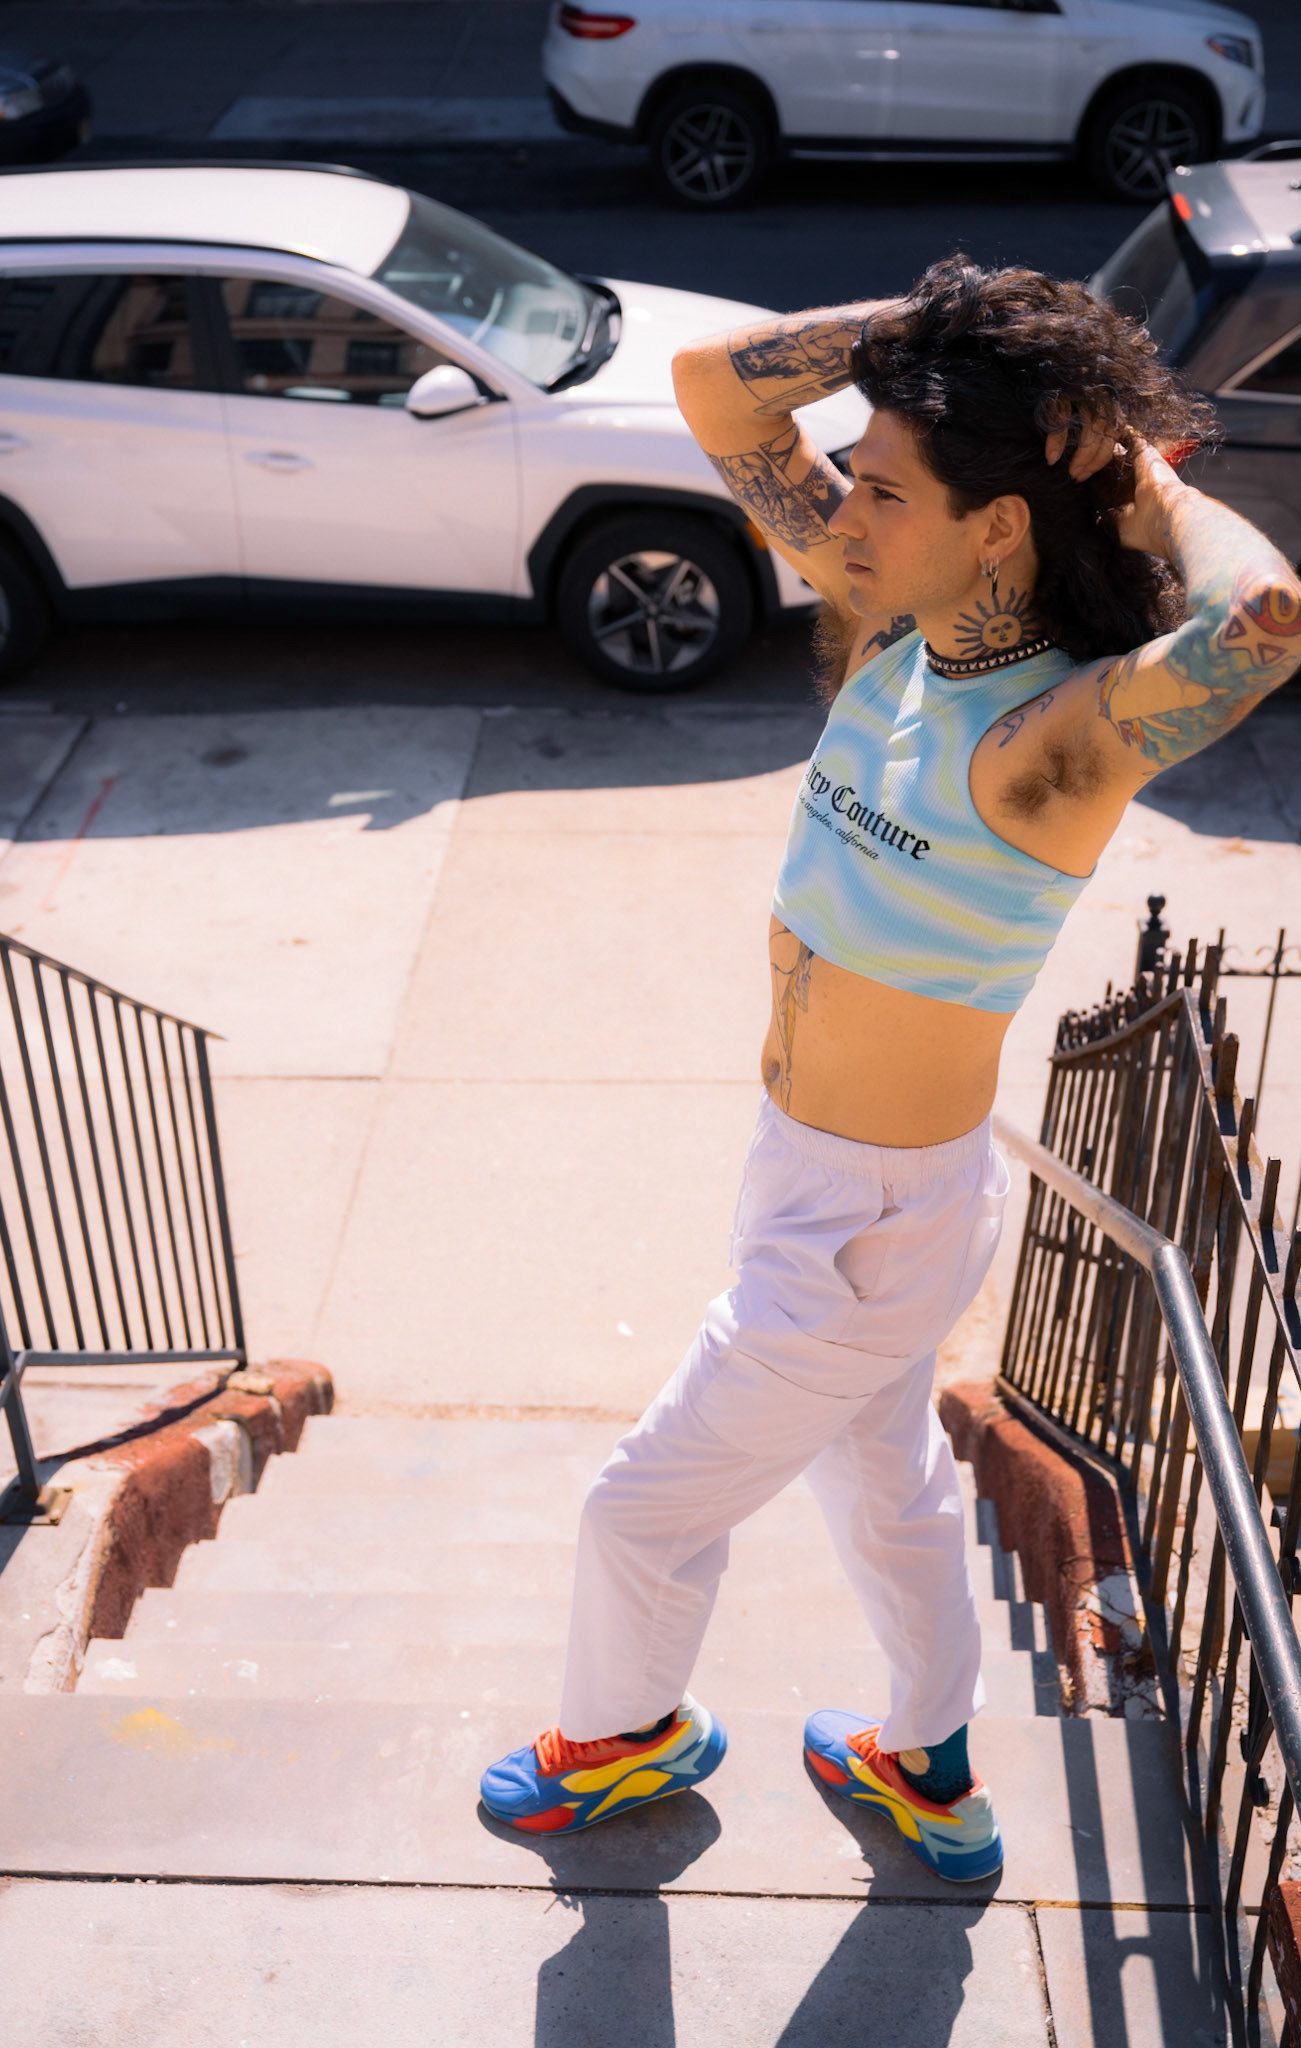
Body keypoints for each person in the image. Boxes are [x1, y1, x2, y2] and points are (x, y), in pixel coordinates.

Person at [479, 256, 1301, 1879]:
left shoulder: (1044, 744)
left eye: (882, 492)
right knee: (886, 1482)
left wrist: (1141, 487)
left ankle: (624, 1739)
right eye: (847, 483)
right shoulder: (893, 625)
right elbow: (717, 389)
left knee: (639, 1512)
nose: (840, 517)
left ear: (995, 528)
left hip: (862, 1223)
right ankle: (928, 1764)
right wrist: (927, 338)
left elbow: (1260, 625)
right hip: (836, 1178)